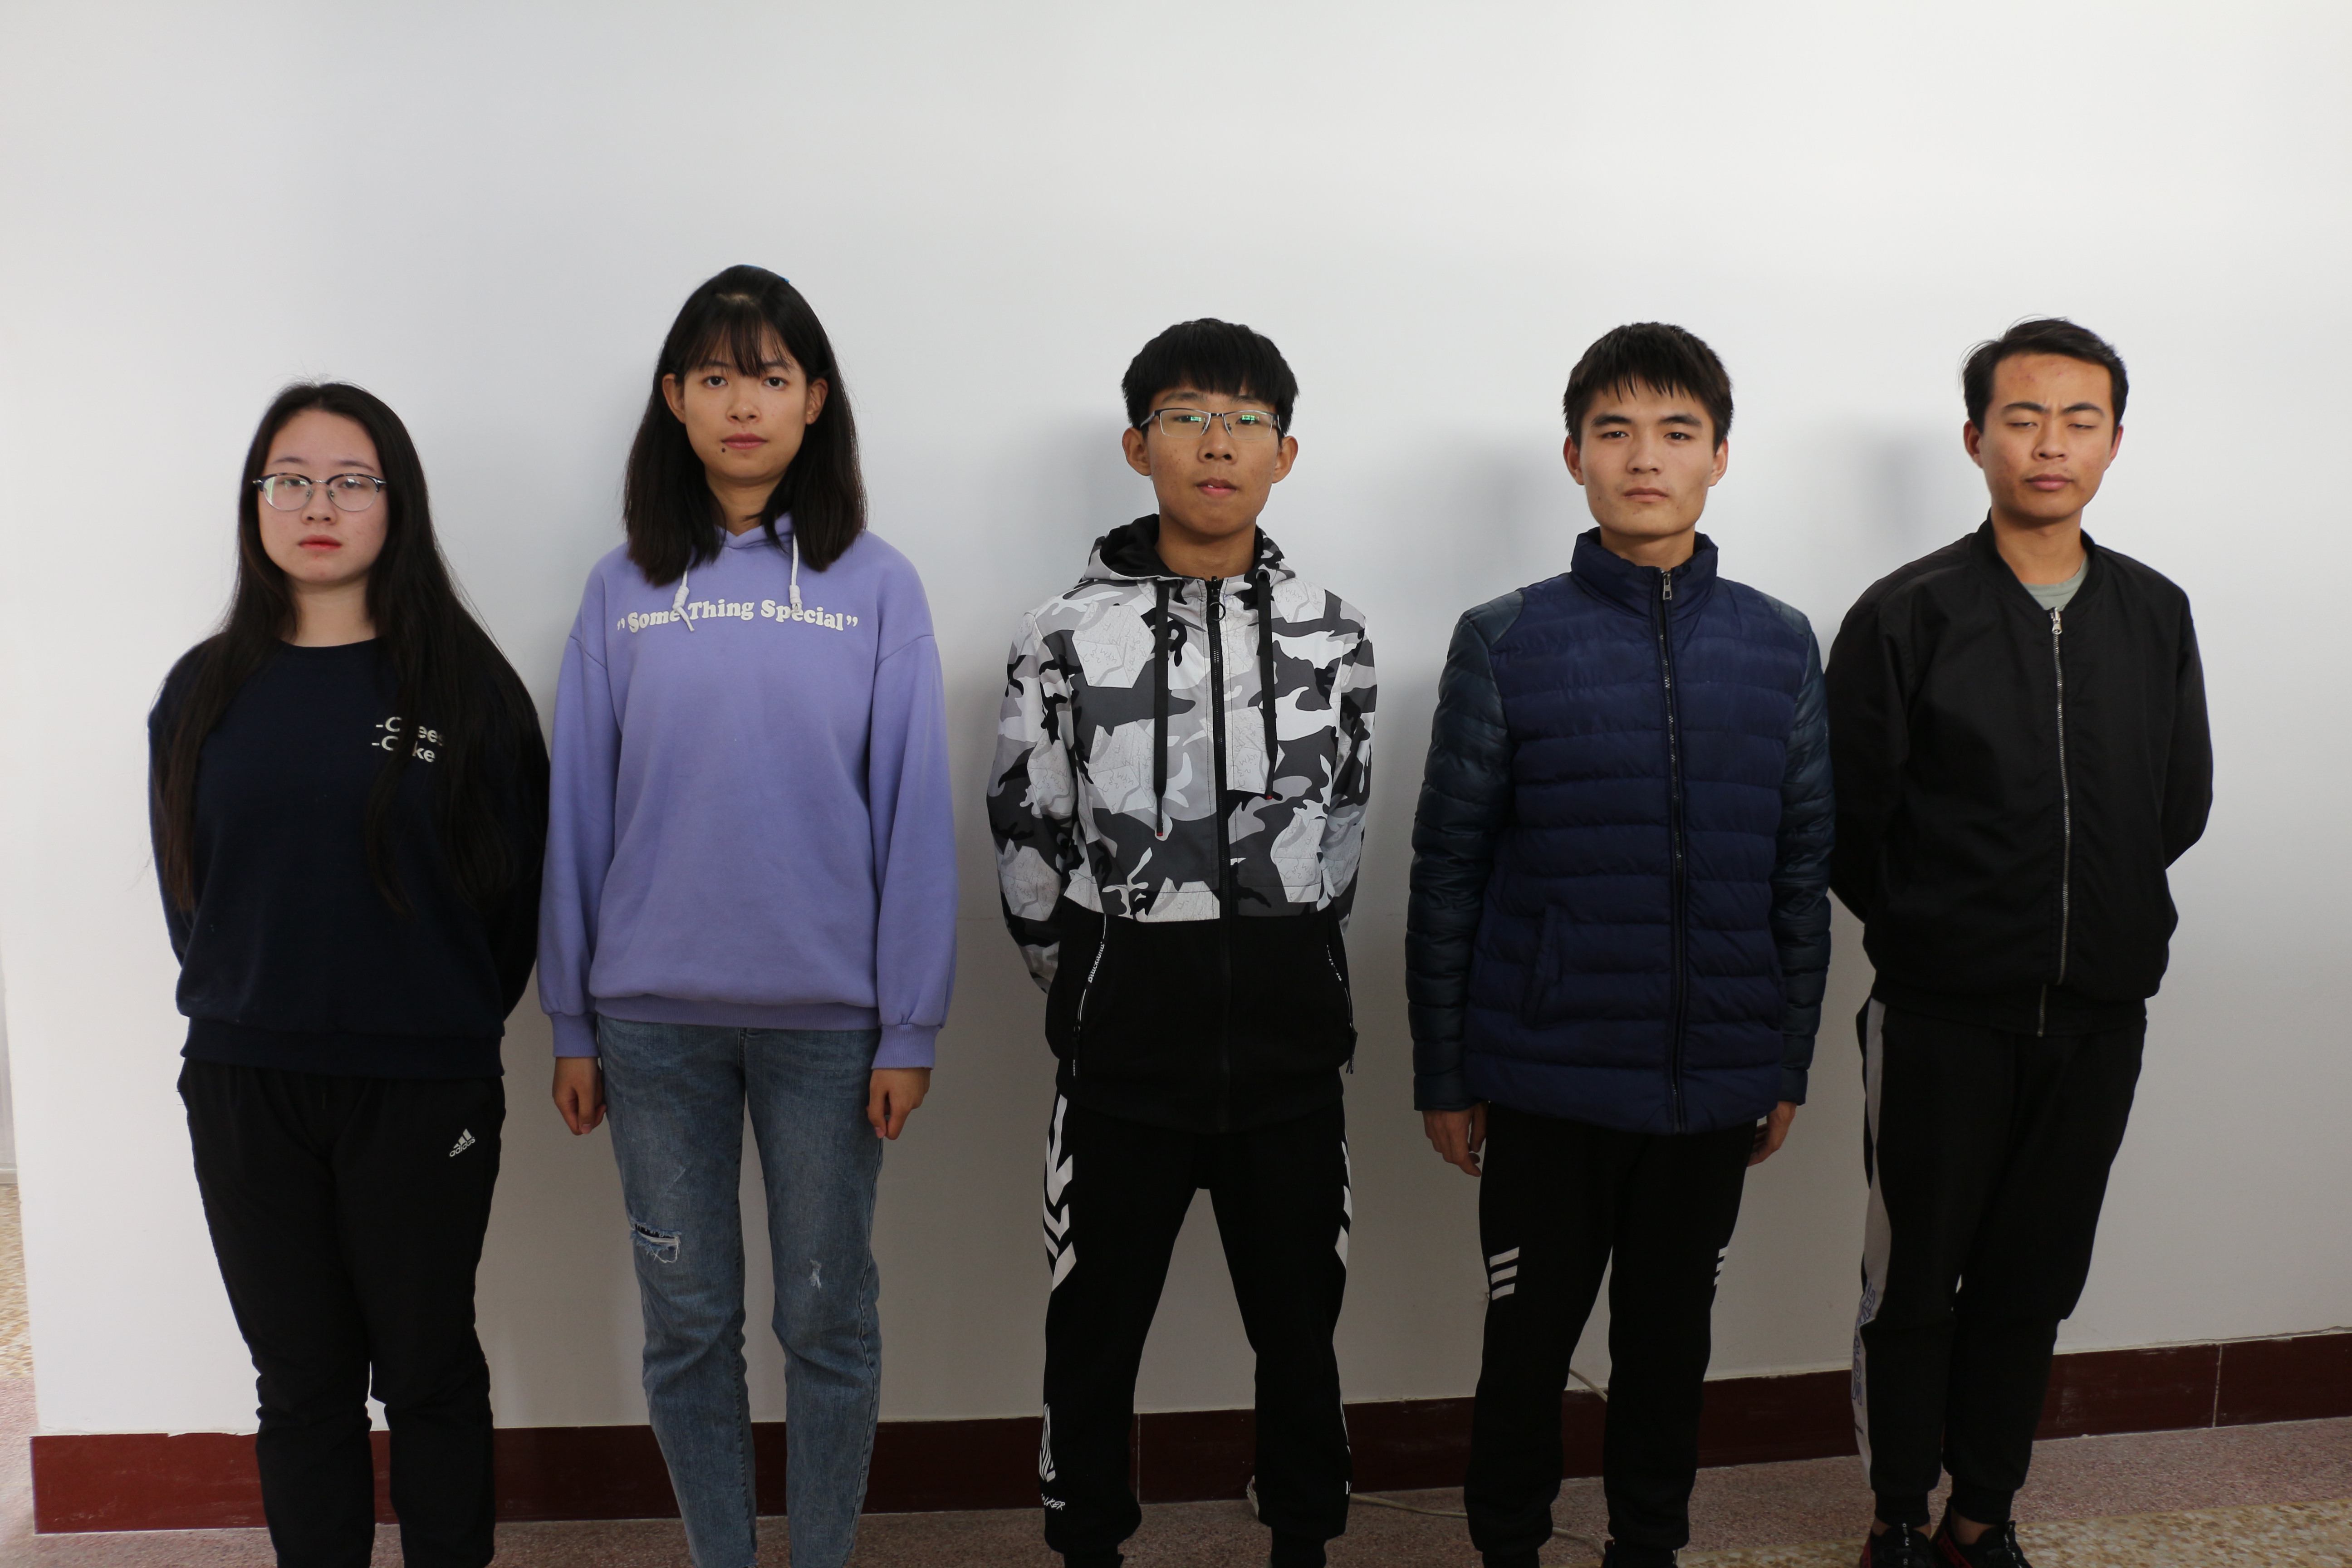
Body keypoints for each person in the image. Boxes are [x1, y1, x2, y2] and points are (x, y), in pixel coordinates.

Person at [538, 265, 956, 1568]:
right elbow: (580, 813)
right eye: (715, 377)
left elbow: (914, 815)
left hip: (830, 1032)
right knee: (688, 1326)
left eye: (770, 377)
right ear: (674, 398)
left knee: (825, 1321)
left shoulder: (876, 586)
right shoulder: (621, 590)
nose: (742, 404)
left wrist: (910, 1027)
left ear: (814, 399)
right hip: (649, 1029)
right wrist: (570, 1018)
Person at [1406, 323, 1833, 1568]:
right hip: (1545, 1079)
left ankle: (1649, 1545)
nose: (1646, 458)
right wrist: (1446, 1070)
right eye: (1616, 432)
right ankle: (1509, 1546)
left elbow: (1801, 871)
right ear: (1575, 457)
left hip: (1712, 1084)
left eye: (1677, 431)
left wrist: (1786, 1057)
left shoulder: (1780, 643)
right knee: (1526, 1349)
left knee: (1669, 1349)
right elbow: (1449, 868)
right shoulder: (1506, 639)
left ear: (1719, 457)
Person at [987, 318, 1375, 1568]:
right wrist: (1098, 980)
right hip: (1125, 1054)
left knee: (1300, 1329)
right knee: (1096, 1327)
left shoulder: (1334, 636)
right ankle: (1089, 1541)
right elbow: (1028, 832)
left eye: (1247, 421)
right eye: (1188, 416)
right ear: (1137, 444)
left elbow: (1344, 832)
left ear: (1285, 453)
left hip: (1288, 1052)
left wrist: (1297, 964)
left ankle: (1303, 1535)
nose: (1218, 443)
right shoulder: (1062, 634)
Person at [1828, 318, 2210, 1568]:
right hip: (1941, 1014)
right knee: (1914, 1280)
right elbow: (1849, 820)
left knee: (2033, 1281)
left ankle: (1981, 1516)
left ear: (2114, 440)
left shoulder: (2155, 612)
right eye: (2024, 418)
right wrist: (1939, 931)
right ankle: (1897, 1516)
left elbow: (2177, 804)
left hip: (2098, 1013)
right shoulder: (1906, 614)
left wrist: (2096, 916)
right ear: (1976, 437)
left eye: (2079, 420)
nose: (2051, 443)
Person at [150, 382, 548, 1568]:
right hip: (245, 1081)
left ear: (397, 504)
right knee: (299, 1381)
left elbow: (515, 896)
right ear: (255, 504)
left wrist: (433, 1021)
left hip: (421, 1084)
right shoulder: (201, 692)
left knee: (427, 1371)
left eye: (350, 482)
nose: (317, 507)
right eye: (290, 481)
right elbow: (191, 897)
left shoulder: (467, 690)